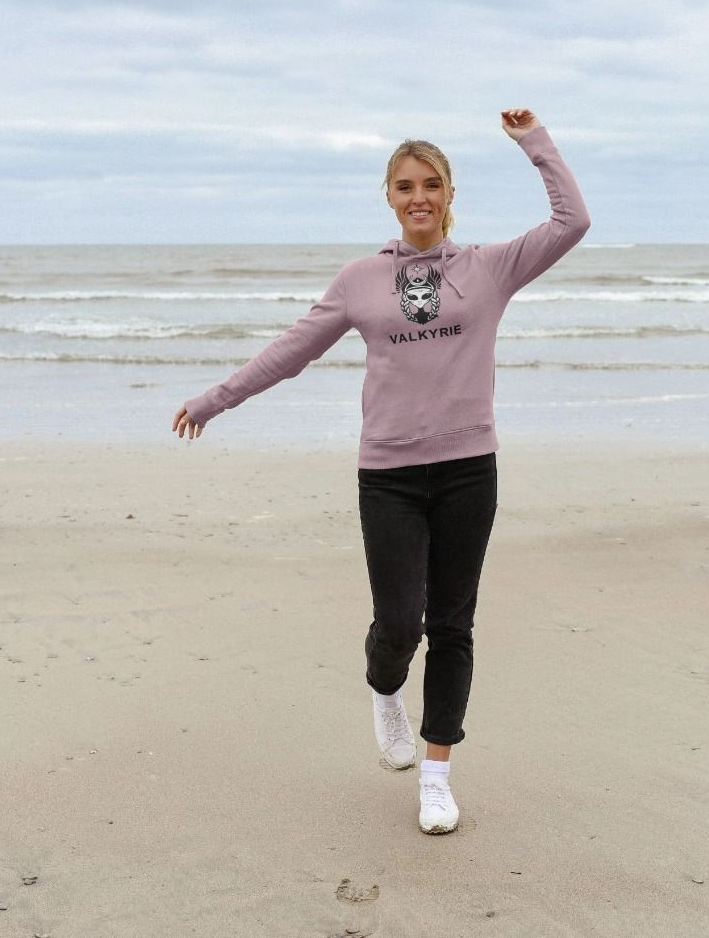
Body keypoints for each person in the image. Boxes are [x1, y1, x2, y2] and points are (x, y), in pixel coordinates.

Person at [173, 108, 590, 834]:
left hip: (467, 470)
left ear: (450, 192)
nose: (419, 195)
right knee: (399, 624)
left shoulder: (490, 268)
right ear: (390, 198)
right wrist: (217, 398)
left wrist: (534, 143)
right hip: (390, 476)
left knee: (453, 624)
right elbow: (292, 350)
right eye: (405, 186)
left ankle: (436, 774)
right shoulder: (360, 280)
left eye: (431, 183)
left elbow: (571, 220)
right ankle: (384, 688)